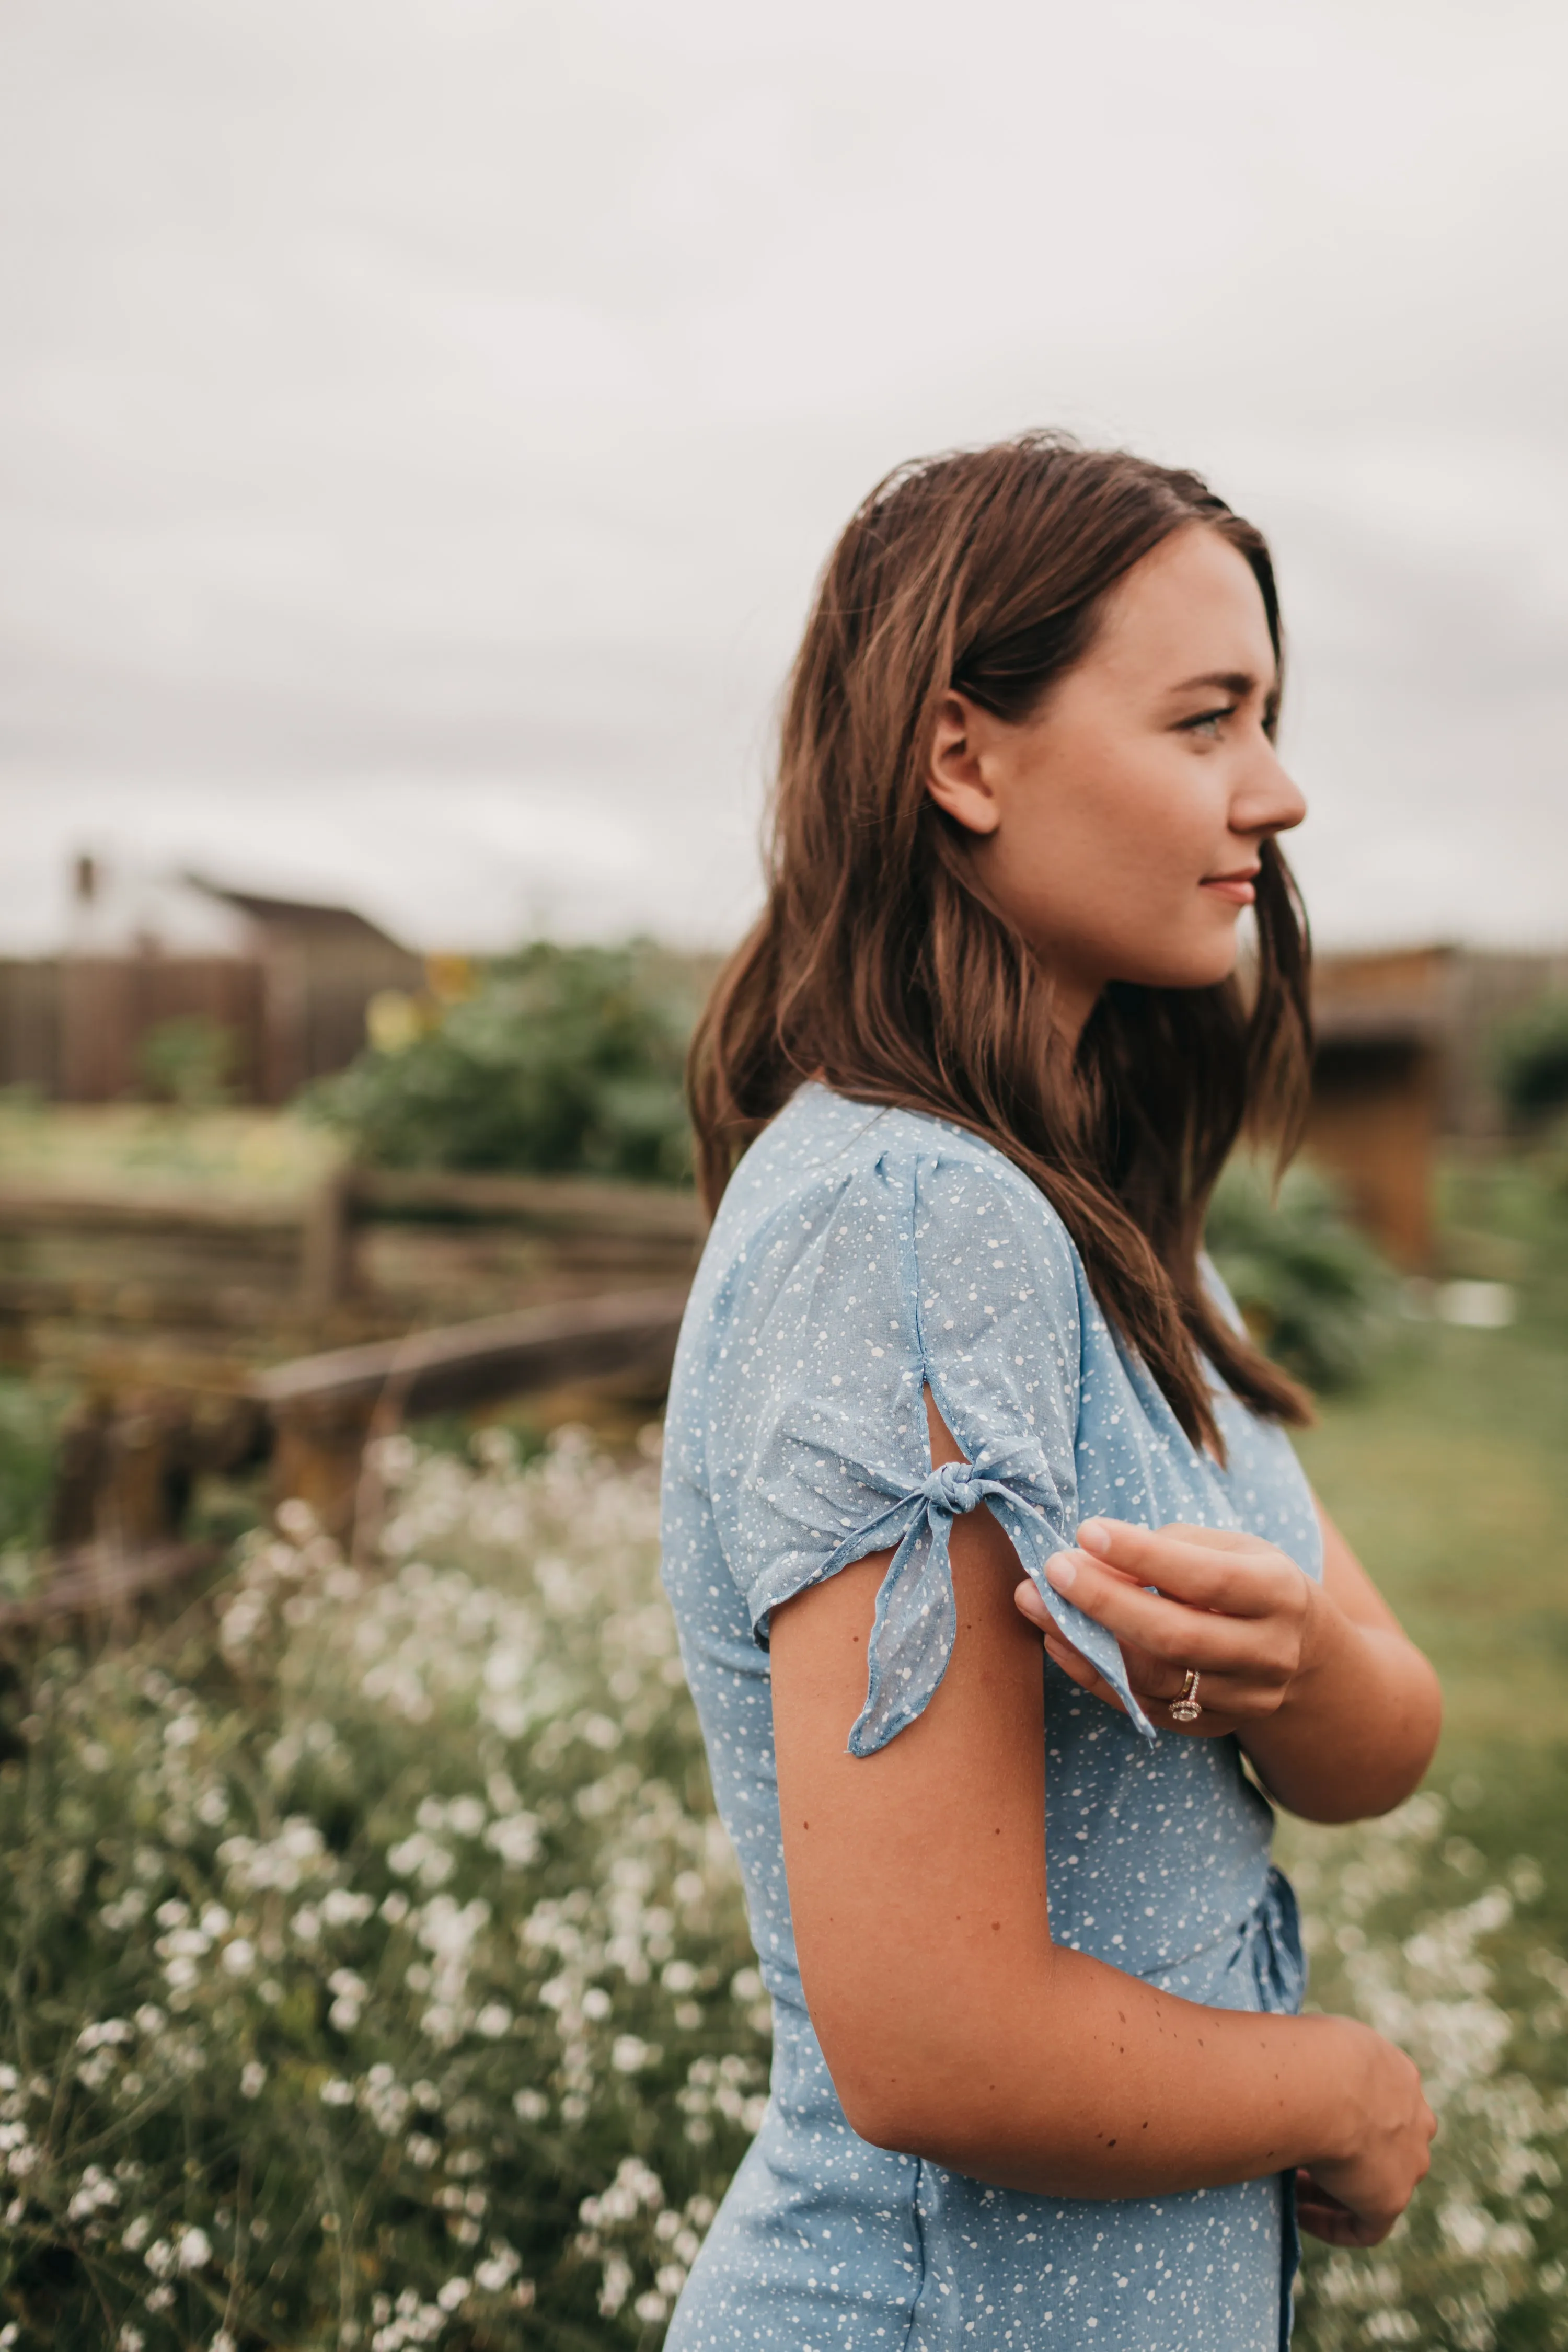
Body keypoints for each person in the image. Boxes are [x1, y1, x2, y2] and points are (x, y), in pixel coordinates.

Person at [659, 433, 1440, 2351]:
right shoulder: (912, 1220)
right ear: (962, 756)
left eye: (1270, 714)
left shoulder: (1102, 1216)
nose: (1279, 787)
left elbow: (1382, 1732)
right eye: (1205, 719)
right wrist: (1344, 2086)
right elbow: (936, 2039)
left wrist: (1287, 1673)